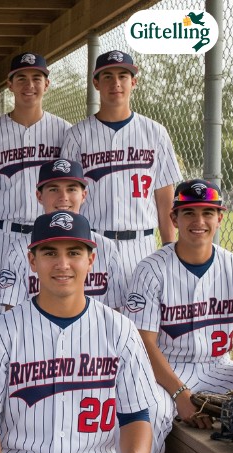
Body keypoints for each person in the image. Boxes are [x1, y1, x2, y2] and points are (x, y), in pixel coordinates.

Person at [0, 210, 158, 453]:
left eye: (74, 253)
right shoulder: (1, 331)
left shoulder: (120, 330)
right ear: (32, 260)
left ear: (91, 259)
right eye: (50, 253)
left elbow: (136, 415)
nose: (63, 264)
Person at [124, 179, 233, 453]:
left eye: (207, 212)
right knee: (150, 415)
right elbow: (143, 344)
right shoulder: (152, 269)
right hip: (163, 372)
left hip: (218, 366)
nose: (199, 221)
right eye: (189, 213)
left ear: (219, 218)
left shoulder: (231, 266)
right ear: (174, 218)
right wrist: (181, 395)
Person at [62, 50, 181, 287]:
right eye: (107, 76)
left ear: (133, 82)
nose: (115, 83)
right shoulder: (77, 135)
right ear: (96, 83)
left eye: (123, 76)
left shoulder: (155, 132)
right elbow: (67, 196)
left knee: (142, 308)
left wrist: (169, 247)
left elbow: (164, 196)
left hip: (142, 244)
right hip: (92, 242)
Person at [0, 159, 125, 309]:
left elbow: (114, 312)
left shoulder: (106, 248)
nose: (63, 197)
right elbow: (12, 314)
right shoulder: (18, 250)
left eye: (71, 189)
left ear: (83, 195)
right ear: (39, 196)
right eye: (54, 189)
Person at [0, 53, 72, 266]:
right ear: (10, 85)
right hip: (3, 233)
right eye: (21, 78)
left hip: (50, 231)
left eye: (36, 78)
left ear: (46, 84)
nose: (29, 85)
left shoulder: (64, 131)